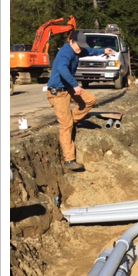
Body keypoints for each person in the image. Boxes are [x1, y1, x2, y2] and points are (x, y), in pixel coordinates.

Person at [46, 30, 114, 171]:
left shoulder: (77, 50)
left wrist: (103, 50)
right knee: (66, 126)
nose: (80, 48)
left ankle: (72, 120)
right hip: (57, 93)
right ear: (71, 41)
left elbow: (87, 51)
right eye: (78, 45)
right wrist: (75, 85)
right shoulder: (66, 52)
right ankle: (69, 160)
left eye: (82, 46)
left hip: (67, 89)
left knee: (90, 100)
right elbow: (61, 68)